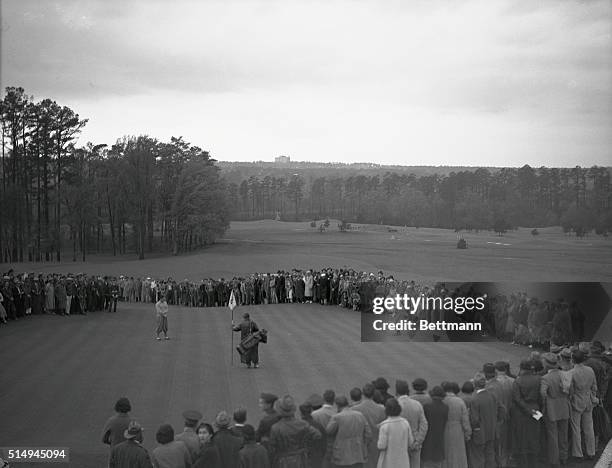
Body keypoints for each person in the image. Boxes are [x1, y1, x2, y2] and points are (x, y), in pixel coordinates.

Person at [269, 395, 321, 468]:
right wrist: (305, 445)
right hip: (301, 459)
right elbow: (317, 435)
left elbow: (272, 449)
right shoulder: (303, 424)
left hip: (283, 462)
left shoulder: (275, 428)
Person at [540, 352, 570, 467]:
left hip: (551, 409)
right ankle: (564, 457)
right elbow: (569, 391)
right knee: (563, 434)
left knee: (553, 436)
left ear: (547, 364)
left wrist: (545, 404)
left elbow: (542, 394)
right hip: (564, 407)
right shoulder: (564, 374)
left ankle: (554, 460)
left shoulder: (545, 378)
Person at [326, 395, 371, 468]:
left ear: (337, 405)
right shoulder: (360, 415)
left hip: (342, 454)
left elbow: (328, 431)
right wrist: (364, 445)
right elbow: (368, 433)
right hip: (358, 453)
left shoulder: (337, 417)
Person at [569, 349, 598, 461]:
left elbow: (571, 391)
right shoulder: (590, 370)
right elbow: (594, 387)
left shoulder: (572, 372)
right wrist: (592, 396)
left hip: (576, 402)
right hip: (588, 401)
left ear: (573, 359)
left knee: (576, 429)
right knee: (589, 428)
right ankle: (591, 452)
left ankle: (578, 454)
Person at [469, 374, 502, 468]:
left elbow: (474, 419)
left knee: (478, 458)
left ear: (475, 385)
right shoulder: (492, 395)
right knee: (490, 456)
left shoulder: (475, 399)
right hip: (492, 431)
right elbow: (501, 410)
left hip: (480, 433)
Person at [396, 379, 428, 468]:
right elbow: (424, 425)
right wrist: (418, 441)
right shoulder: (417, 404)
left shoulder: (395, 404)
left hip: (400, 442)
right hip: (414, 440)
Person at [352, 383, 386, 468]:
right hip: (376, 443)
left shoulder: (354, 409)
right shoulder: (382, 409)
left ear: (363, 394)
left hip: (361, 444)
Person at [376, 397, 414, 468]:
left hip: (388, 462)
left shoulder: (384, 426)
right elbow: (411, 442)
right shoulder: (405, 423)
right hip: (403, 461)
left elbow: (381, 445)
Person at [441, 382, 471, 468]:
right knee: (458, 453)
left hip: (444, 429)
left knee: (446, 453)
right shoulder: (459, 401)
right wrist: (468, 433)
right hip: (457, 430)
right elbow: (465, 420)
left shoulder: (442, 400)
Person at [421, 386, 449, 468]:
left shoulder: (426, 406)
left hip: (428, 438)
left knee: (426, 462)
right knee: (438, 462)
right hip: (439, 438)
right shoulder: (446, 407)